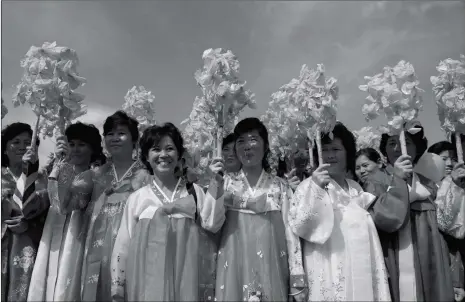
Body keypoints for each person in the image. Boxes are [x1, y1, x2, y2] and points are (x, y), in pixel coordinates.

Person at [110, 123, 225, 301]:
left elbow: (213, 224)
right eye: (156, 149)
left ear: (179, 156)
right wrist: (118, 287)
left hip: (188, 282)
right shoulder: (137, 198)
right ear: (146, 157)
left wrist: (217, 183)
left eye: (170, 149)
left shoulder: (194, 192)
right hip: (145, 284)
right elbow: (123, 245)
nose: (163, 155)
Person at [46, 111, 150, 301]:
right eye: (110, 134)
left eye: (121, 133)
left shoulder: (146, 177)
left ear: (134, 140)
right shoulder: (95, 175)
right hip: (94, 253)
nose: (115, 138)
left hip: (133, 251)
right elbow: (64, 204)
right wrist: (64, 163)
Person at [289, 122, 391, 301]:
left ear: (348, 153)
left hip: (361, 268)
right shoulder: (308, 187)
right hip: (328, 268)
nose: (330, 155)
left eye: (336, 149)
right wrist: (317, 191)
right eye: (325, 149)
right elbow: (299, 226)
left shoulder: (356, 188)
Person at [215, 118, 307, 302]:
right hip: (233, 265)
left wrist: (297, 273)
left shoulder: (280, 187)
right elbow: (211, 223)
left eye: (253, 139)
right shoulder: (225, 183)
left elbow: (291, 232)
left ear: (265, 147)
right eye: (241, 141)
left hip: (272, 265)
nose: (247, 146)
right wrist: (214, 184)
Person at [365, 121, 455, 301]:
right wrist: (398, 180)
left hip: (433, 259)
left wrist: (455, 186)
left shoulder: (428, 182)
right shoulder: (376, 180)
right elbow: (385, 219)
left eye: (406, 141)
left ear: (416, 148)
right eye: (391, 143)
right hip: (397, 259)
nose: (398, 147)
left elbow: (451, 226)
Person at [27, 122, 105, 301]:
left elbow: (65, 205)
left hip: (77, 235)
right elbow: (32, 206)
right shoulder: (52, 172)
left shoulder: (95, 178)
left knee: (69, 279)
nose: (75, 149)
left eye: (81, 145)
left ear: (93, 150)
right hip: (50, 234)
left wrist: (61, 169)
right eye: (71, 144)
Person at [1, 123, 49, 302]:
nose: (23, 146)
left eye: (28, 143)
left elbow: (50, 219)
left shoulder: (42, 180)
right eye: (16, 142)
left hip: (28, 247)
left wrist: (28, 225)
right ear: (5, 148)